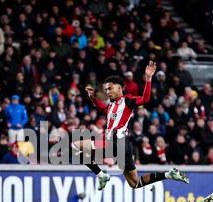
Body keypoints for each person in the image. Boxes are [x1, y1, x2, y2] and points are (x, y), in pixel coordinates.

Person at [76, 61, 188, 191]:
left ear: (119, 88)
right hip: (123, 146)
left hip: (116, 141)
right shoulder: (111, 106)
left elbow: (145, 99)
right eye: (106, 89)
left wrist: (148, 79)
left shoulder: (127, 100)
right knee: (135, 183)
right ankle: (168, 174)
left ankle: (101, 175)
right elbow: (102, 107)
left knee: (77, 146)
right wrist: (93, 97)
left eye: (110, 88)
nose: (108, 92)